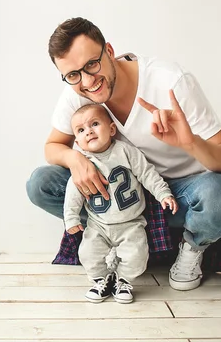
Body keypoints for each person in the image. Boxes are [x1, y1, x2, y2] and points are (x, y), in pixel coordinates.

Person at [27, 17, 221, 291]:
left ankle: (191, 247)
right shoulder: (77, 92)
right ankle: (109, 236)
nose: (87, 81)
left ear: (109, 51)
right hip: (118, 200)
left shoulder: (171, 81)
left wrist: (191, 143)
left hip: (179, 199)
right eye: (73, 75)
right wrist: (76, 159)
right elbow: (53, 146)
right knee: (40, 183)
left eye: (91, 65)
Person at [64, 103, 177, 303]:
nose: (88, 132)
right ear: (77, 141)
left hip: (131, 222)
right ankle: (101, 279)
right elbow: (73, 193)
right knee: (87, 253)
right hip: (98, 223)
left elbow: (147, 173)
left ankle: (123, 280)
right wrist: (71, 219)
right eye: (81, 130)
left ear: (112, 129)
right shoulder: (82, 162)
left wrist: (163, 194)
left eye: (95, 124)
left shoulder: (126, 151)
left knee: (137, 257)